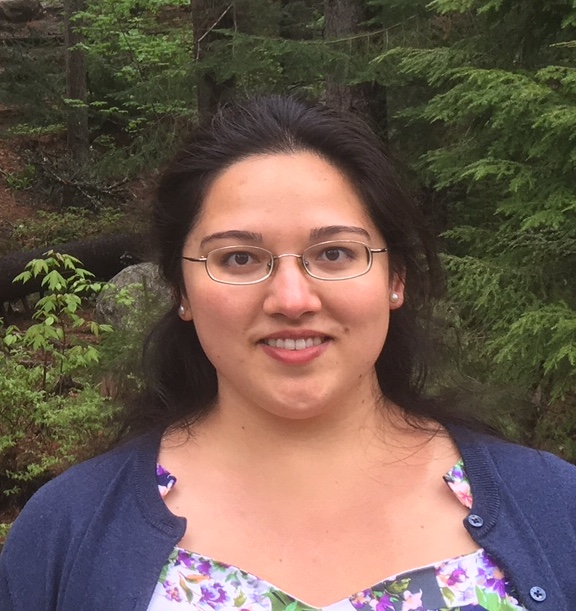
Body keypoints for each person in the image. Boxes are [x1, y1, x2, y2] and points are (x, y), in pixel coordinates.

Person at [0, 96, 575, 611]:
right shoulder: (66, 532)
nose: (293, 300)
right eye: (239, 259)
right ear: (180, 290)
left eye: (335, 254)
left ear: (395, 277)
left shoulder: (556, 509)